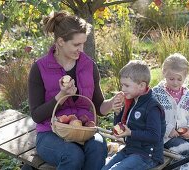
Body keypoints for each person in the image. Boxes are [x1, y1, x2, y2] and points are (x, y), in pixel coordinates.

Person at [28, 11, 116, 170]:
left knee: (98, 146)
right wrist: (61, 96)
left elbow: (98, 107)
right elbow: (36, 115)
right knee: (73, 155)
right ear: (60, 41)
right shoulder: (40, 68)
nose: (81, 50)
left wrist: (112, 103)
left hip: (83, 130)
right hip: (50, 133)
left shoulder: (89, 66)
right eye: (76, 45)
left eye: (83, 43)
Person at [102, 60, 166, 170]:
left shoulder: (152, 107)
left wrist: (131, 133)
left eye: (126, 85)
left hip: (147, 156)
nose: (123, 89)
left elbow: (155, 136)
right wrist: (117, 113)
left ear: (141, 85)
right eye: (122, 85)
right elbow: (119, 130)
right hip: (131, 150)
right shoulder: (131, 101)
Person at [152, 53, 189, 155]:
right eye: (171, 79)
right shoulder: (156, 93)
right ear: (164, 73)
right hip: (166, 138)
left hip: (184, 135)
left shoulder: (187, 94)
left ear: (185, 76)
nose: (175, 83)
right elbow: (153, 116)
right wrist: (168, 130)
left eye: (179, 79)